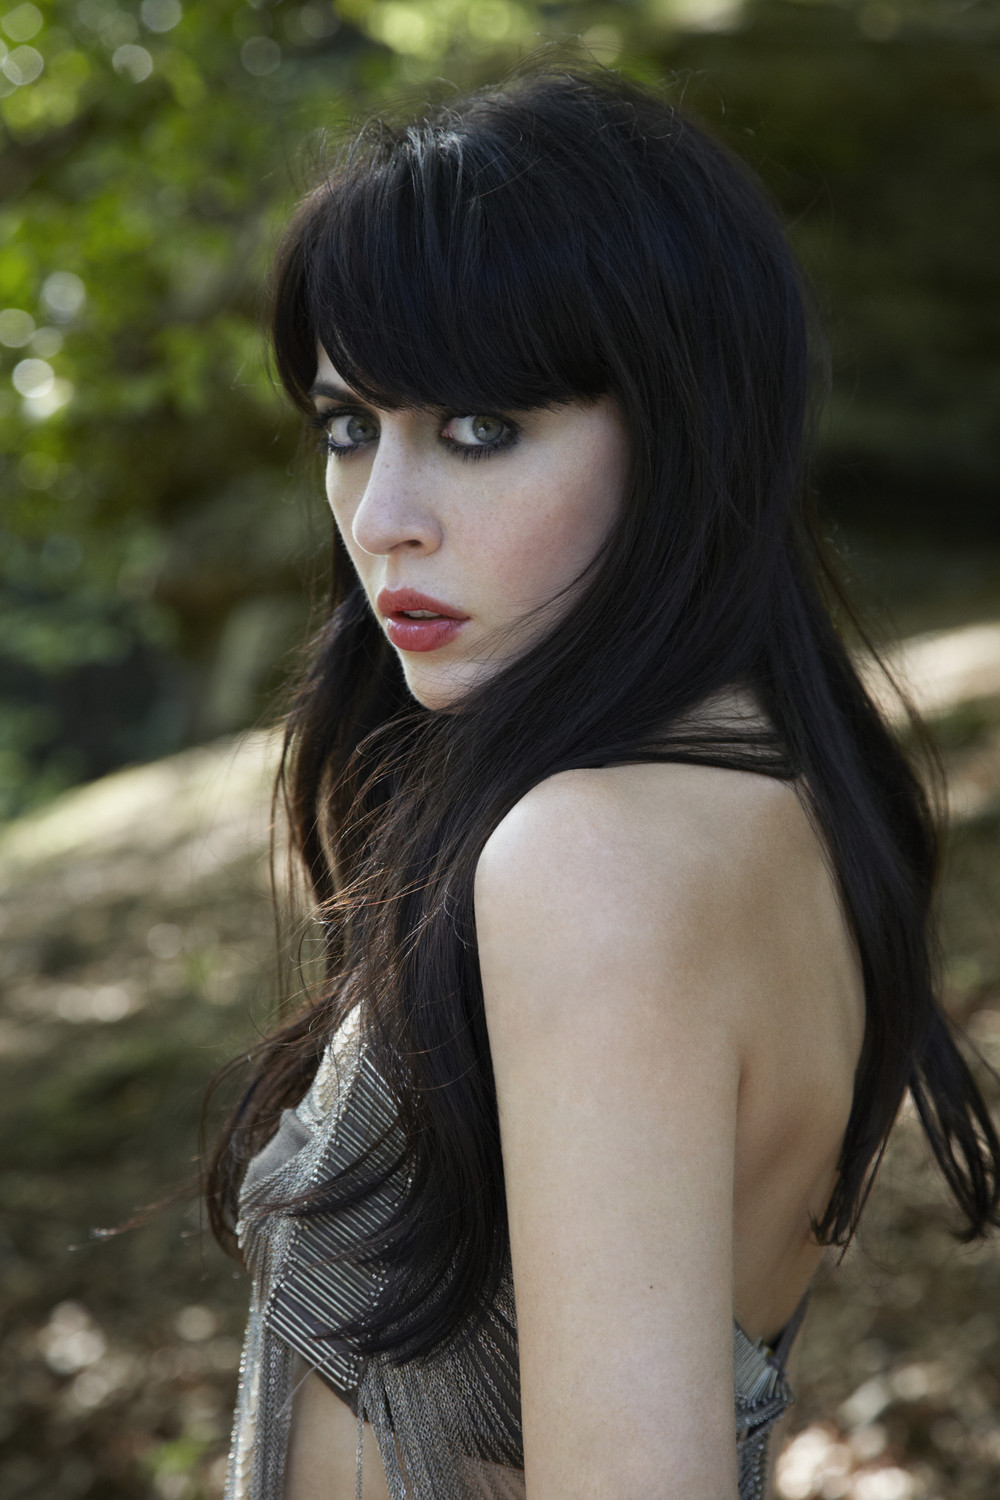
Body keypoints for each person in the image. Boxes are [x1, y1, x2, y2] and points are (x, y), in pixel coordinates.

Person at [206, 62, 1000, 1500]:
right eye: (347, 428)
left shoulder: (593, 857)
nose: (382, 520)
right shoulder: (770, 794)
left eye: (481, 429)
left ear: (685, 427)